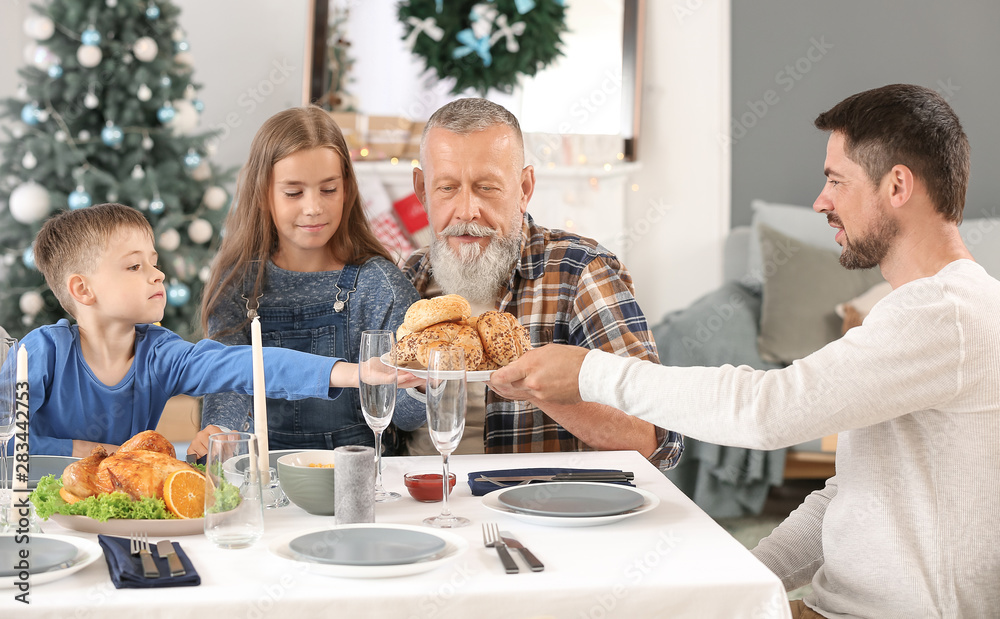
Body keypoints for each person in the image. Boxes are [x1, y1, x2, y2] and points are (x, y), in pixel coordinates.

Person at [491, 84, 1000, 617]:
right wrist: (743, 579)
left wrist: (591, 372)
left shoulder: (947, 315)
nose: (821, 200)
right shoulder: (920, 311)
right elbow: (845, 495)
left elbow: (768, 411)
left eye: (835, 180)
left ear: (897, 185)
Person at [402, 98, 682, 471]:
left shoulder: (581, 273)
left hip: (538, 509)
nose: (467, 210)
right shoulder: (410, 275)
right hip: (420, 503)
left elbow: (657, 441)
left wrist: (546, 393)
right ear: (422, 189)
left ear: (523, 188)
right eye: (447, 188)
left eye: (486, 187)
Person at [10, 203, 377, 458]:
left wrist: (356, 373)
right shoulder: (41, 352)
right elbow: (5, 439)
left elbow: (248, 365)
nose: (158, 274)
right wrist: (82, 450)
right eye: (134, 267)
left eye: (154, 261)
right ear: (82, 289)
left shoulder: (159, 353)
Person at [192, 106, 423, 459]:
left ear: (346, 189)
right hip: (265, 476)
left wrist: (423, 384)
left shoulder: (378, 285)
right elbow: (229, 386)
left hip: (361, 476)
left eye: (328, 189)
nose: (313, 207)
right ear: (263, 194)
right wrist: (221, 432)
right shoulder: (238, 284)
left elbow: (407, 417)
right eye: (294, 193)